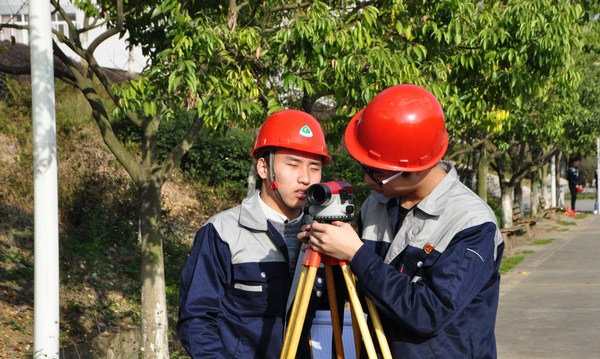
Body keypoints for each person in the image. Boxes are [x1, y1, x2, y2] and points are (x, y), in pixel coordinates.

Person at [299, 84, 505, 358]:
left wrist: (357, 255)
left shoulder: (471, 224)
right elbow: (364, 292)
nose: (366, 180)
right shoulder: (376, 204)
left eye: (374, 172)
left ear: (411, 171)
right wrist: (330, 253)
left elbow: (428, 313)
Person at [177, 109, 330, 358]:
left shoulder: (326, 236)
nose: (305, 178)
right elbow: (196, 320)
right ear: (263, 167)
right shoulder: (222, 232)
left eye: (315, 167)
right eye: (293, 164)